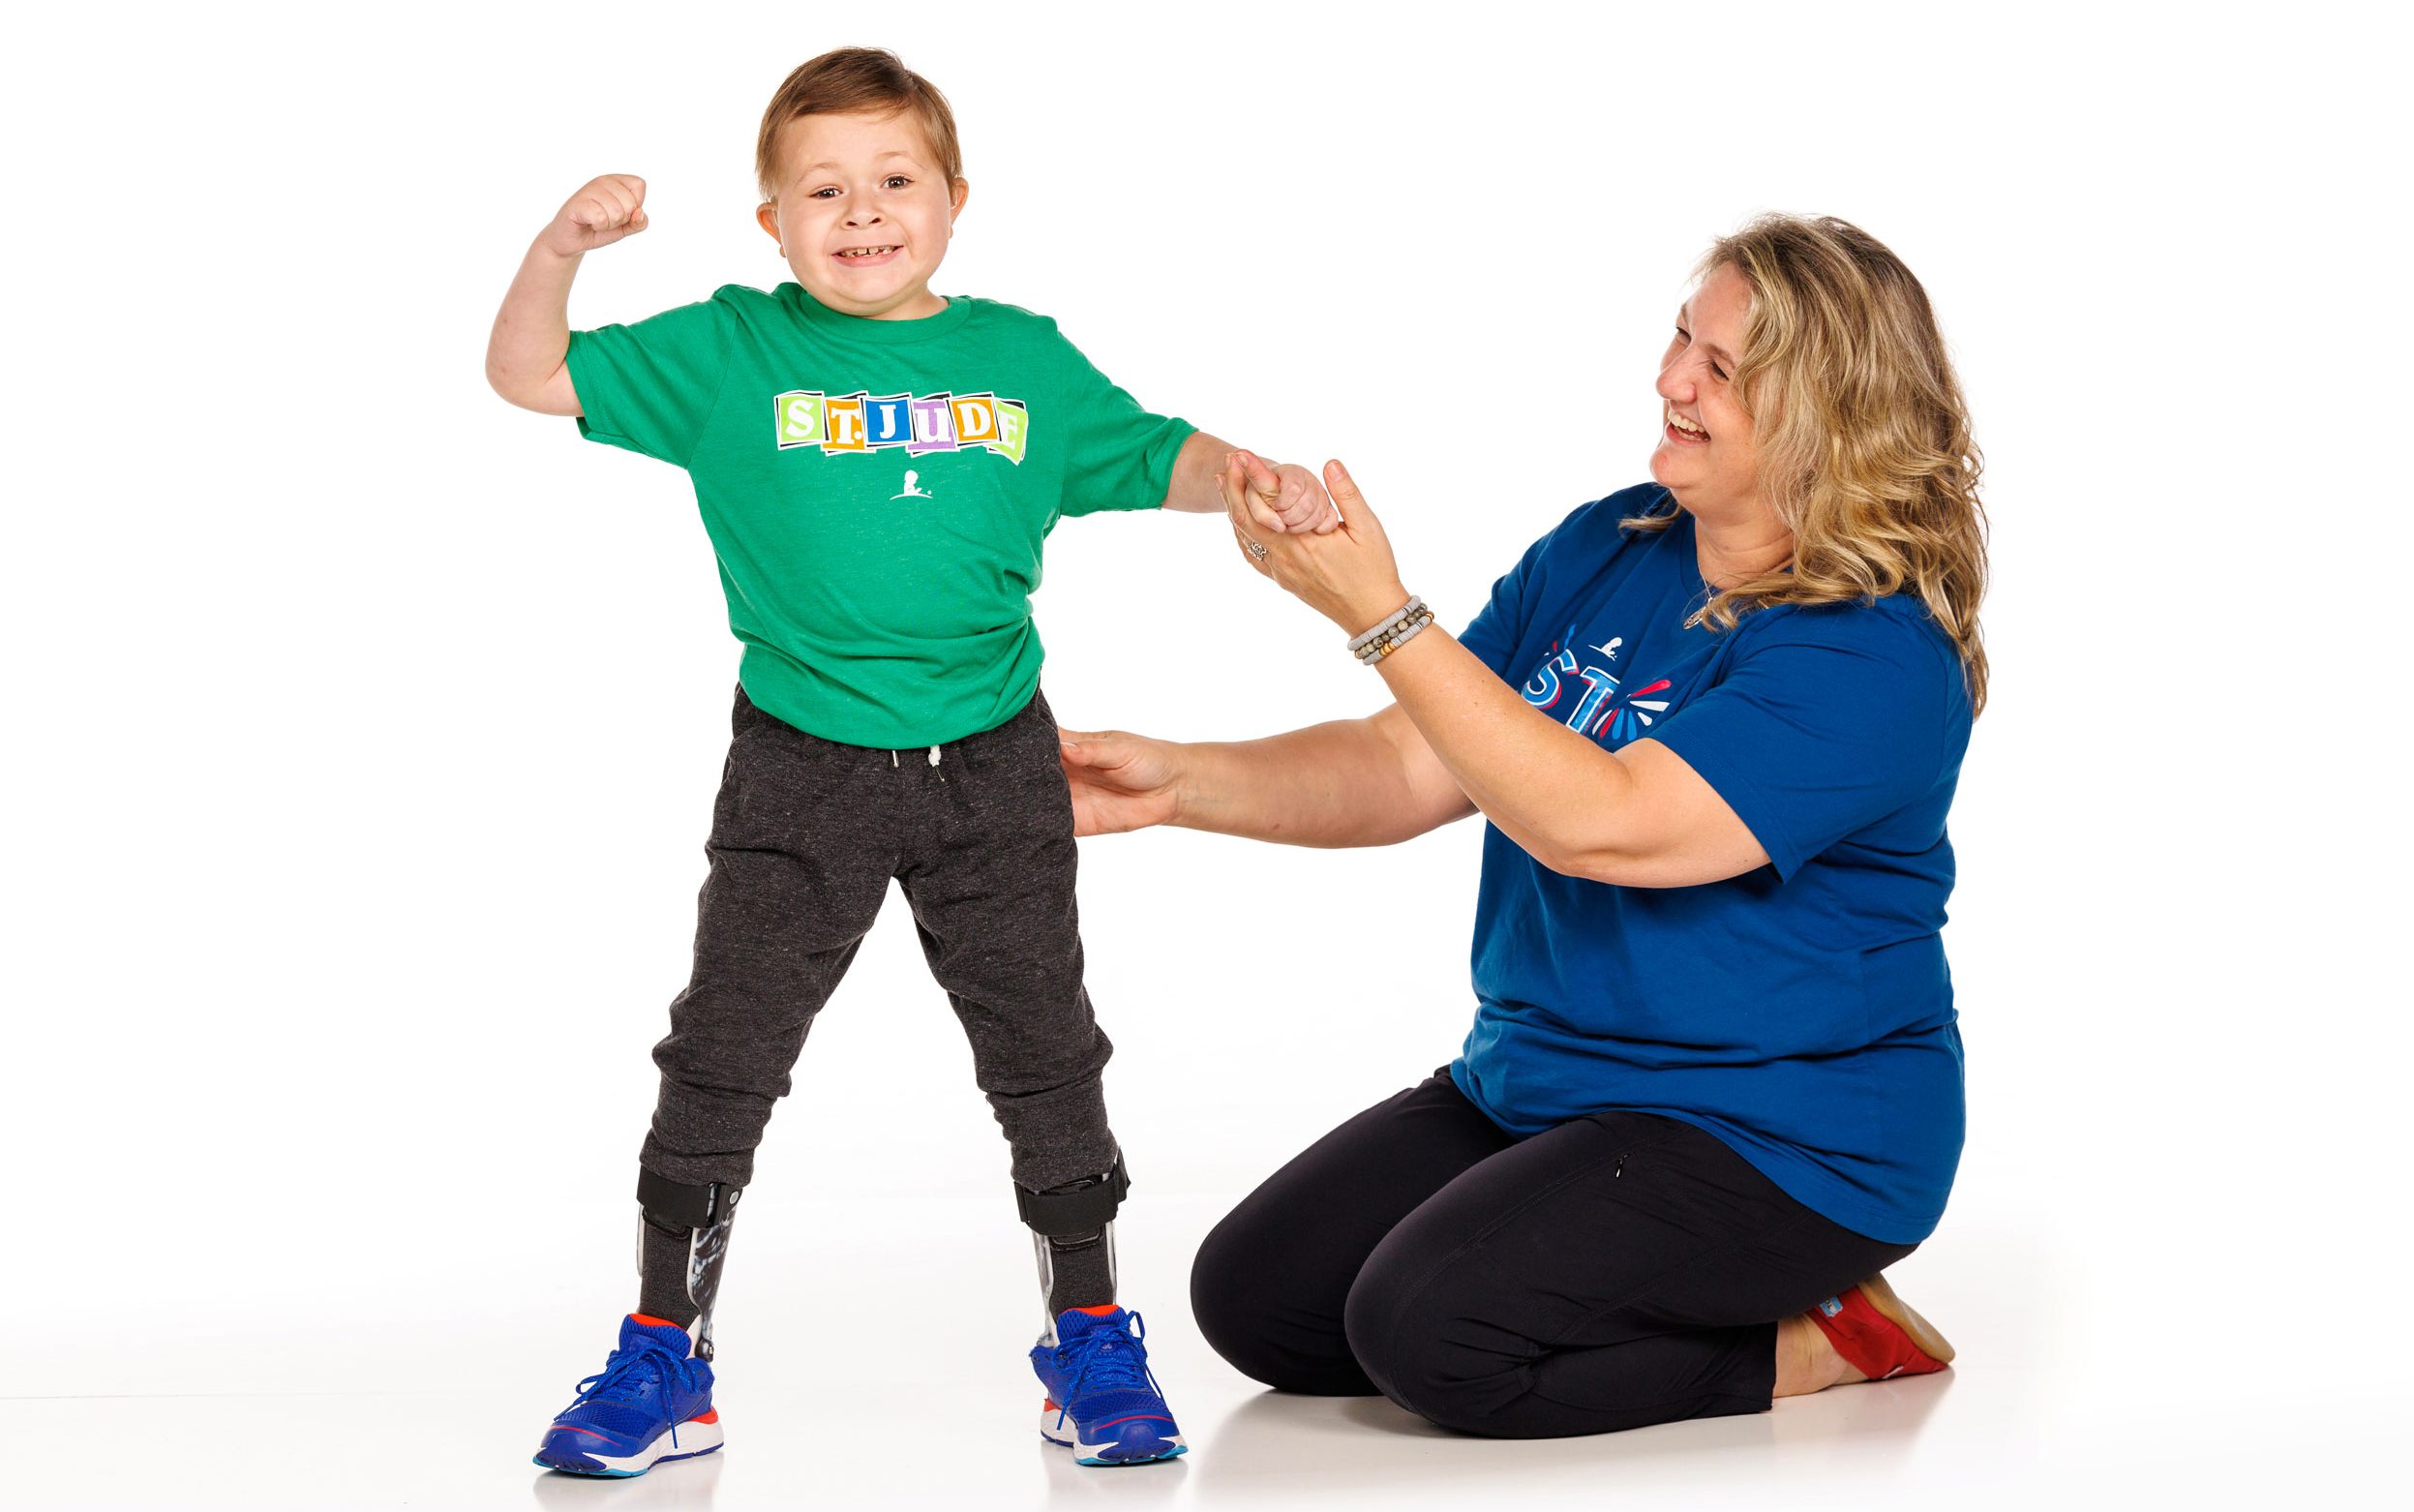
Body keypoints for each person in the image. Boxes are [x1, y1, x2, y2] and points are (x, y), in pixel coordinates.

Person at [483, 47, 1336, 1475]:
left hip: (991, 760)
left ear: (952, 200)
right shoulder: (728, 351)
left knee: (1044, 1050)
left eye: (892, 182)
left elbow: (1154, 451)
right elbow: (526, 374)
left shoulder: (1018, 358)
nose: (860, 212)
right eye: (821, 189)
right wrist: (560, 247)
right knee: (722, 1054)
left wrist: (1259, 480)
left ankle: (1090, 1333)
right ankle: (661, 1351)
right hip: (799, 763)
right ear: (771, 221)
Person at [1060, 214, 1988, 1438]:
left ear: (1829, 415)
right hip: (1549, 1083)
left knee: (1431, 1333)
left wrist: (1383, 613)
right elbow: (1411, 761)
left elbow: (1602, 826)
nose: (1671, 381)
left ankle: (1810, 1340)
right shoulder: (1613, 542)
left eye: (1723, 369)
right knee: (1260, 1304)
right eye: (1679, 339)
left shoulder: (1868, 653)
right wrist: (1179, 783)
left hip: (1782, 1138)